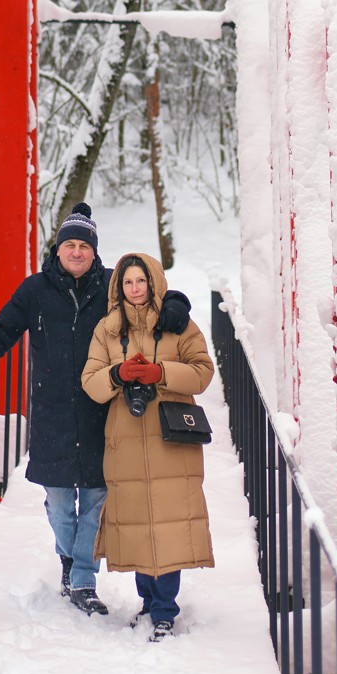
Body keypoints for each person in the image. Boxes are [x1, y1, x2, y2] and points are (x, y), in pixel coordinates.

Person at [0, 202, 112, 616]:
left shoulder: (111, 286)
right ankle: (70, 560)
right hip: (51, 414)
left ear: (93, 251)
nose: (76, 253)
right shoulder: (35, 290)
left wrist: (177, 308)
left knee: (95, 500)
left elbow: (150, 303)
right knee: (57, 502)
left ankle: (82, 577)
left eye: (83, 247)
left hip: (100, 414)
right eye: (69, 245)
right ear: (58, 250)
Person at [81, 251, 214, 641]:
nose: (135, 289)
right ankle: (147, 602)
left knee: (169, 523)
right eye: (127, 283)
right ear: (118, 288)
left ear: (153, 282)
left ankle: (165, 609)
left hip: (170, 439)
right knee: (138, 522)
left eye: (141, 281)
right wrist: (118, 374)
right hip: (124, 436)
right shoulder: (107, 330)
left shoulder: (178, 324)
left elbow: (203, 372)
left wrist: (161, 373)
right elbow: (90, 381)